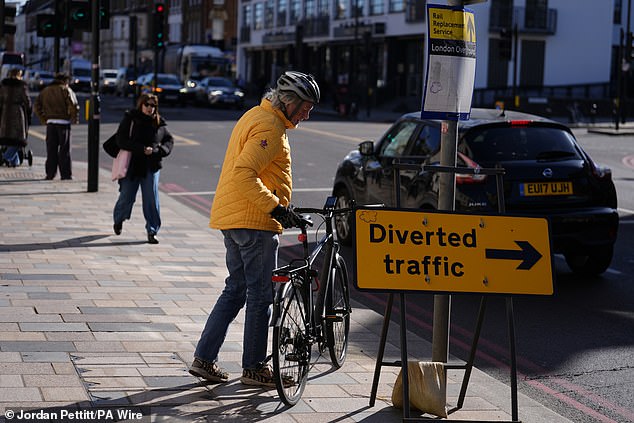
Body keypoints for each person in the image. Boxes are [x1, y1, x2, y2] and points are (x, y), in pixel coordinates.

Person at [189, 71, 320, 387]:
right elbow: (244, 174)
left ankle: (204, 359)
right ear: (288, 102)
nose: (307, 114)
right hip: (254, 222)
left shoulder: (256, 115)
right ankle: (255, 368)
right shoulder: (270, 128)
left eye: (311, 108)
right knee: (260, 296)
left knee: (236, 289)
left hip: (235, 217)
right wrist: (276, 208)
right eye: (304, 106)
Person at [112, 93, 174, 244]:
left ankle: (152, 230)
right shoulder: (131, 119)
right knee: (126, 196)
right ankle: (119, 219)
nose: (150, 108)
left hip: (151, 166)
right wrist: (141, 149)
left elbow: (169, 140)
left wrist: (160, 151)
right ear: (141, 104)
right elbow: (121, 140)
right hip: (132, 165)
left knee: (151, 199)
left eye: (153, 105)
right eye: (147, 104)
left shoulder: (159, 123)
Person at [34, 73, 79, 180]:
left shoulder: (45, 91)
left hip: (50, 123)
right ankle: (65, 174)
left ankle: (50, 173)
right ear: (65, 81)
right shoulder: (66, 90)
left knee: (51, 150)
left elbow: (37, 106)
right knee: (65, 150)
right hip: (63, 123)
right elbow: (73, 105)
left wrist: (44, 119)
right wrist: (73, 118)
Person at [0, 68, 31, 167]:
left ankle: (14, 161)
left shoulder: (3, 85)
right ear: (19, 75)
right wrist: (29, 111)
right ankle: (6, 157)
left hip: (5, 113)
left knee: (7, 138)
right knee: (18, 140)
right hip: (17, 113)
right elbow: (27, 102)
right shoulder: (21, 86)